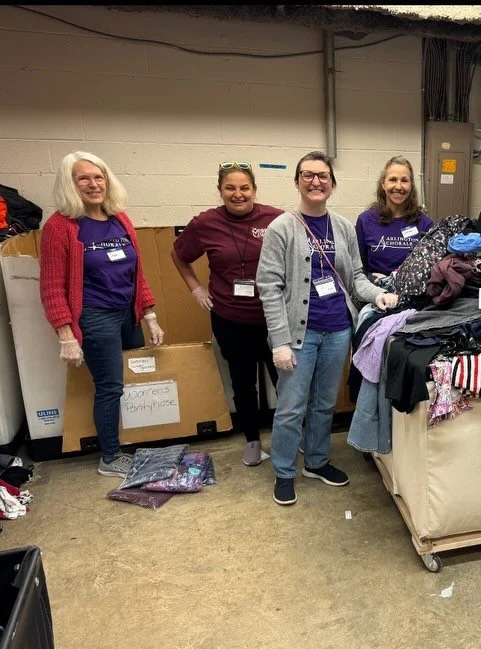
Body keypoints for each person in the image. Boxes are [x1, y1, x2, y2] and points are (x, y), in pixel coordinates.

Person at [257, 151, 398, 506]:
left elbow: (356, 279)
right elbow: (269, 287)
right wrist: (280, 341)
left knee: (323, 404)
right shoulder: (281, 228)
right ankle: (285, 470)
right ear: (297, 182)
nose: (315, 181)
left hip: (337, 331)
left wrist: (379, 295)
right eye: (308, 175)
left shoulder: (343, 227)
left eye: (322, 176)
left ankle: (316, 462)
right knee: (291, 407)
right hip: (299, 336)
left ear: (332, 185)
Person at [39, 151, 165, 477]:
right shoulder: (60, 227)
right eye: (84, 178)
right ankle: (109, 456)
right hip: (96, 317)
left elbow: (137, 273)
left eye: (99, 177)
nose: (94, 184)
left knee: (130, 378)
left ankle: (135, 437)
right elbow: (52, 288)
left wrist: (149, 313)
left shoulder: (118, 218)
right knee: (110, 387)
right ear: (70, 184)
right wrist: (65, 334)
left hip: (128, 313)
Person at [171, 162, 283, 467]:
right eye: (230, 188)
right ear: (220, 190)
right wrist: (196, 288)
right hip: (230, 318)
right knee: (243, 383)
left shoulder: (276, 218)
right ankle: (252, 440)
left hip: (273, 317)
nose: (238, 194)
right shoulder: (205, 223)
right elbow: (178, 255)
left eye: (244, 187)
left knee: (285, 381)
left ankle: (287, 437)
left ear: (254, 190)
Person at [355, 156, 433, 283]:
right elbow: (357, 269)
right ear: (383, 184)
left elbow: (429, 269)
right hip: (376, 292)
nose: (398, 186)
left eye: (404, 180)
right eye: (393, 180)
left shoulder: (425, 224)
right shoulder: (365, 220)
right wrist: (372, 279)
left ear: (411, 185)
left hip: (411, 293)